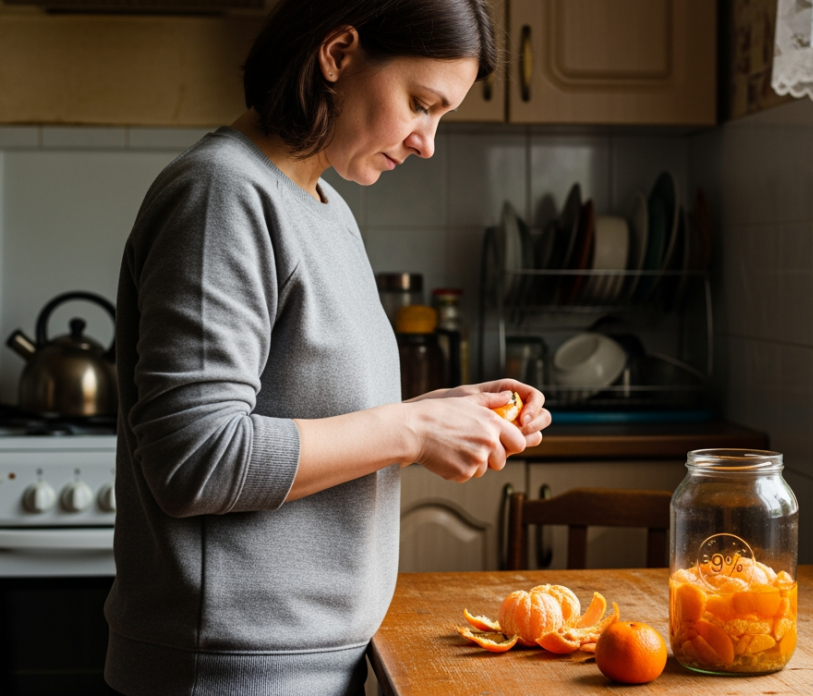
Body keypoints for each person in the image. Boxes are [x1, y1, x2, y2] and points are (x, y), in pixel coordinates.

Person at [103, 1, 550, 694]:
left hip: (313, 661)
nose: (428, 142)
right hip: (230, 672)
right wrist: (411, 428)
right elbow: (194, 459)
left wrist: (444, 413)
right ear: (338, 55)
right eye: (420, 103)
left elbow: (314, 408)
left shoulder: (322, 206)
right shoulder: (223, 193)